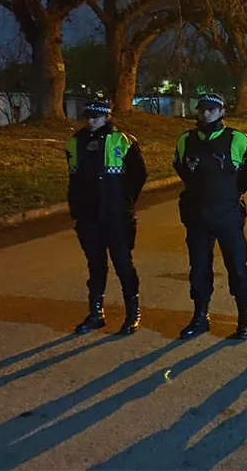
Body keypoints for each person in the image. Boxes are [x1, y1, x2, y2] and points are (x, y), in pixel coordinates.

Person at [173, 93, 247, 340]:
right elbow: (181, 168)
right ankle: (200, 316)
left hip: (228, 215)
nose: (206, 114)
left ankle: (245, 318)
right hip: (197, 216)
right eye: (202, 109)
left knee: (237, 267)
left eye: (212, 110)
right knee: (199, 269)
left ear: (222, 111)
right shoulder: (186, 140)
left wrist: (231, 193)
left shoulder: (238, 139)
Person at [66, 100, 147, 335]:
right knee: (95, 266)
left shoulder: (123, 140)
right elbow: (73, 179)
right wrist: (77, 211)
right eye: (88, 116)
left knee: (123, 264)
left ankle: (133, 313)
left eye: (96, 117)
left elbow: (138, 175)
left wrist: (124, 202)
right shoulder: (75, 142)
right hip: (89, 216)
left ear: (107, 117)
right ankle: (95, 313)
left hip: (117, 216)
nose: (91, 121)